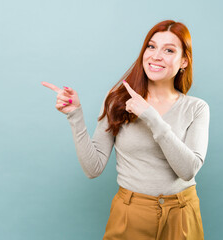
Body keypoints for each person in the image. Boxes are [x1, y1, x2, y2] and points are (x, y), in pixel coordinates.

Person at [42, 19, 209, 240]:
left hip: (182, 215)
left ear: (184, 62)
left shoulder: (196, 108)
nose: (156, 55)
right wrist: (75, 115)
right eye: (151, 47)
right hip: (131, 213)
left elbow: (188, 171)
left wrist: (151, 117)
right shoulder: (118, 100)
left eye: (169, 50)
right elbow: (93, 168)